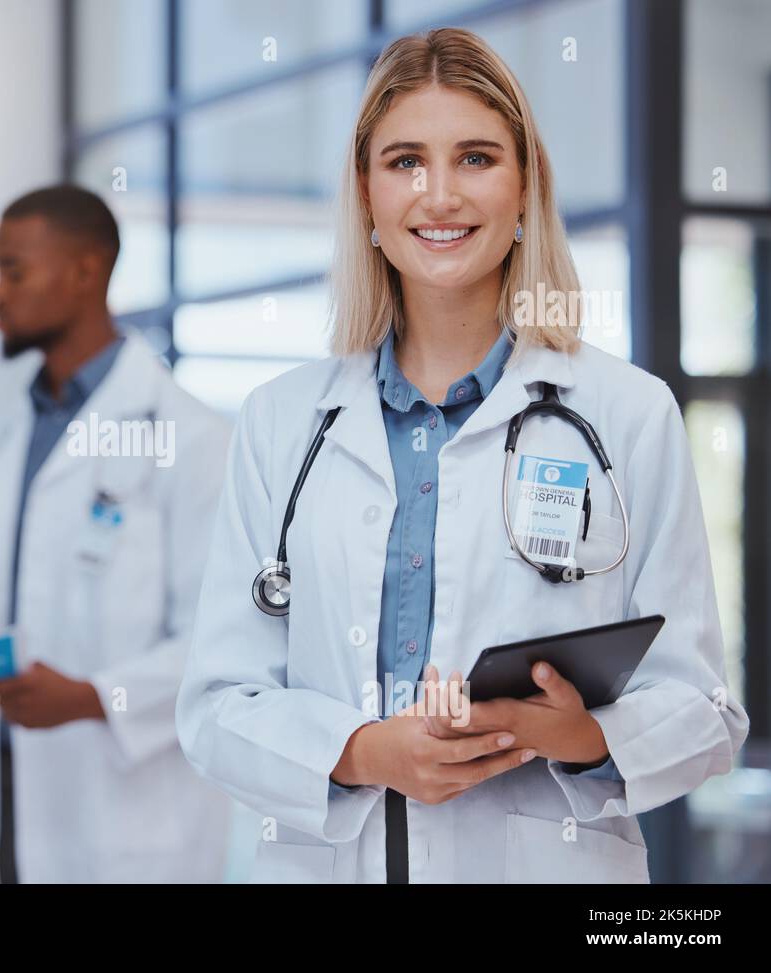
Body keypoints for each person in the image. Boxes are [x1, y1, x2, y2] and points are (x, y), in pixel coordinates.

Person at [175, 28, 748, 884]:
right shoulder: (281, 423)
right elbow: (217, 707)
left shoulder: (628, 414)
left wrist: (579, 734)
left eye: (475, 158)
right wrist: (366, 751)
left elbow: (705, 711)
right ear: (366, 197)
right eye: (405, 161)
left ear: (525, 190)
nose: (437, 195)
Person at [0, 185, 231, 883]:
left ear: (85, 272)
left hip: (126, 833)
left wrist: (90, 696)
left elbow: (221, 645)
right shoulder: (16, 435)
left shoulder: (194, 438)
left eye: (13, 269)